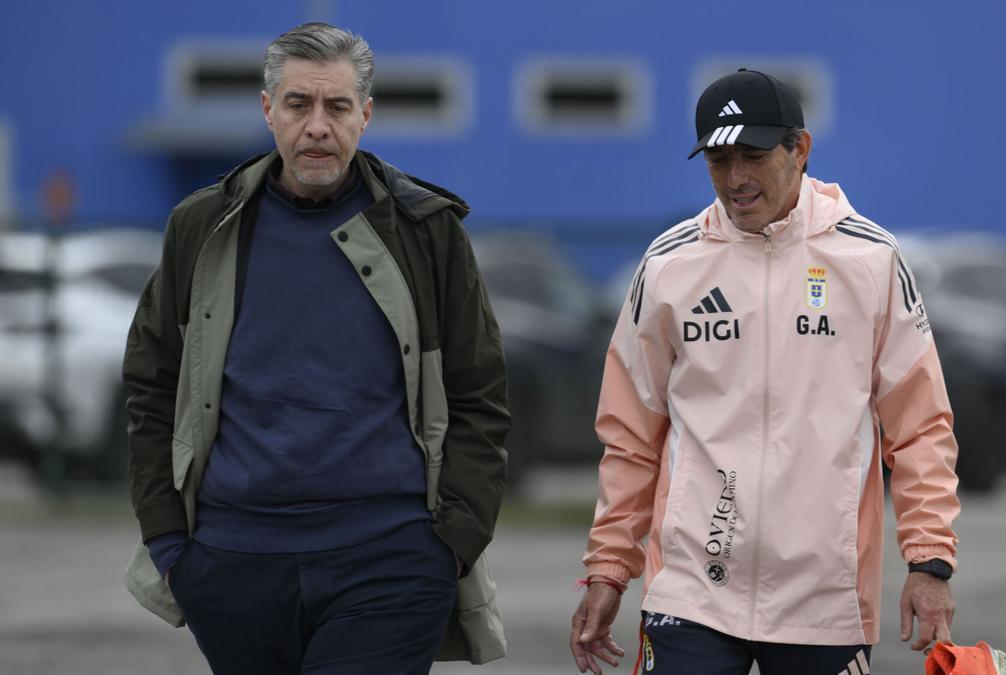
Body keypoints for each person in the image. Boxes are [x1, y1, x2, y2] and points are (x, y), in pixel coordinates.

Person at [122, 23, 510, 674]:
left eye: (337, 106)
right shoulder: (203, 225)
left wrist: (453, 542)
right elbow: (152, 382)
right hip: (232, 564)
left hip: (392, 560)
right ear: (268, 109)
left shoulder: (425, 229)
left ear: (366, 115)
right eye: (299, 104)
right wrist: (169, 542)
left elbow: (480, 392)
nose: (318, 127)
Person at [569, 69, 961, 675]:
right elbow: (631, 435)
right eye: (718, 161)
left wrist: (929, 561)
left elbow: (920, 428)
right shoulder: (669, 264)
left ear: (799, 149)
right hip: (691, 590)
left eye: (753, 157)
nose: (735, 179)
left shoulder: (872, 260)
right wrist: (609, 567)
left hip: (824, 598)